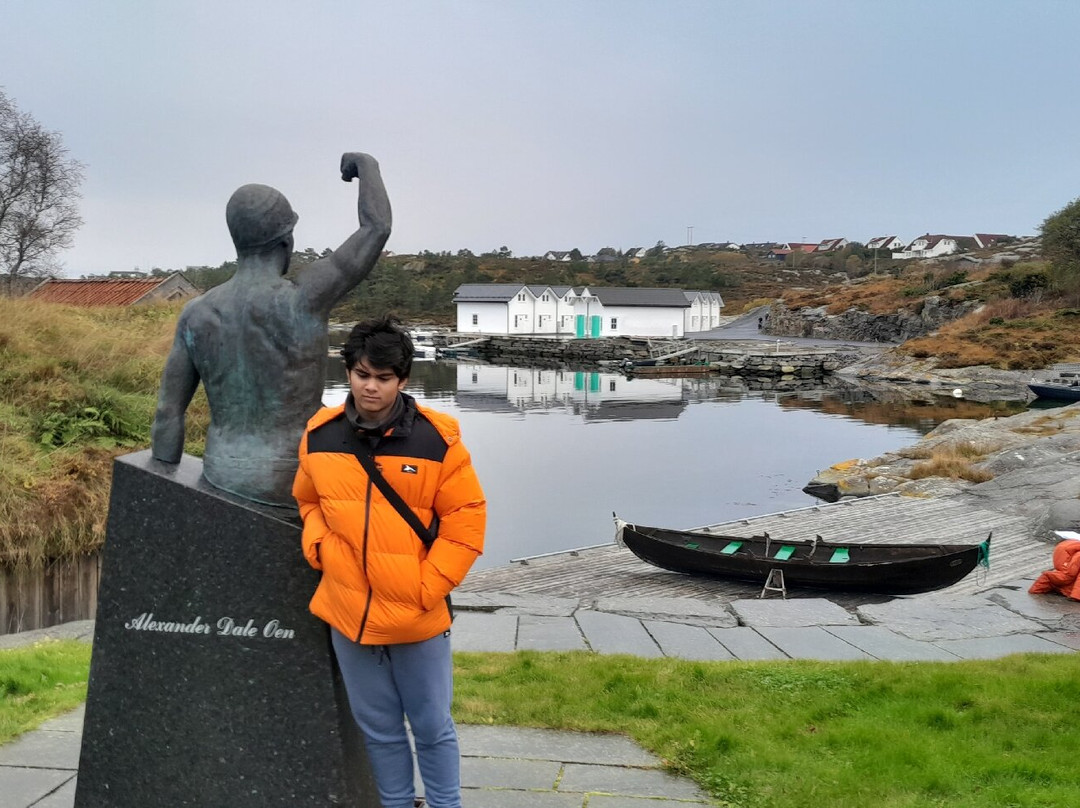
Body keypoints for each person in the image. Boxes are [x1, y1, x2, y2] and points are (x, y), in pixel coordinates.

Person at [293, 316, 486, 808]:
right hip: (347, 611)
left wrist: (426, 587)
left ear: (402, 380)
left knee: (432, 727)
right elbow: (308, 501)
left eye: (383, 377)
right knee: (377, 729)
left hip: (416, 615)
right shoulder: (320, 436)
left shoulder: (437, 441)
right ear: (349, 373)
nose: (370, 387)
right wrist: (319, 548)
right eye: (361, 374)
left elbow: (466, 520)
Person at [151, 152, 391, 506]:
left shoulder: (195, 314)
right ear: (286, 240)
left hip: (221, 469)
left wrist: (163, 479)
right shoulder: (304, 300)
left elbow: (168, 411)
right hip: (293, 478)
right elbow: (376, 229)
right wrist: (367, 166)